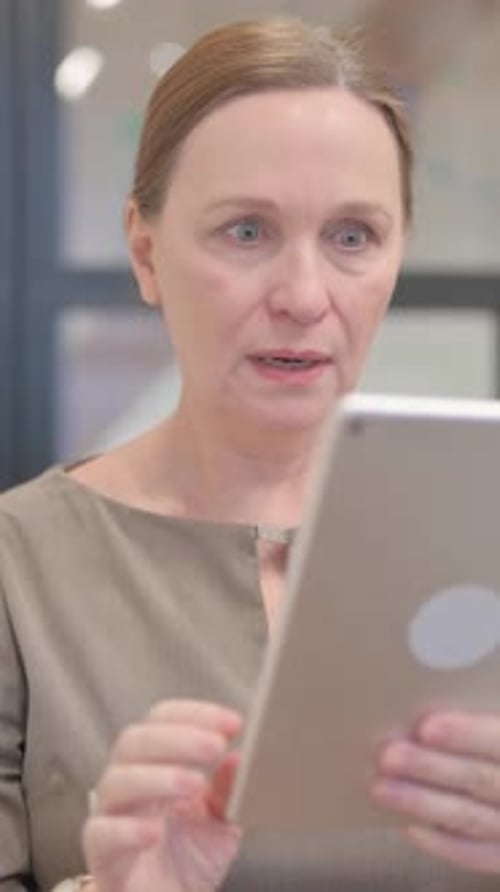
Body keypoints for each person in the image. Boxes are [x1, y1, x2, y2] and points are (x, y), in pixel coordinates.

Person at [1, 15, 500, 892]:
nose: (304, 296)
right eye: (245, 232)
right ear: (145, 252)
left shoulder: (481, 531)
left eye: (353, 236)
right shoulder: (19, 568)